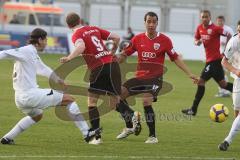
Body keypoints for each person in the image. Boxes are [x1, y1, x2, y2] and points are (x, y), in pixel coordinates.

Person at [0, 28, 98, 145]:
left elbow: (42, 68)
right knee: (69, 100)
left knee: (37, 116)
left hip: (20, 98)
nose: (46, 42)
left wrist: (58, 80)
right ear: (40, 40)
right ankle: (86, 133)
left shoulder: (31, 53)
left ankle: (7, 138)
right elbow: (3, 53)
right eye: (46, 39)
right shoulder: (26, 50)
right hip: (29, 95)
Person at [116, 11, 198, 143]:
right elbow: (124, 54)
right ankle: (131, 124)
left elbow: (175, 58)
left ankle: (152, 136)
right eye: (149, 21)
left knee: (146, 101)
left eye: (154, 22)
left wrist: (189, 73)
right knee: (117, 97)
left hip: (155, 79)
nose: (151, 24)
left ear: (157, 23)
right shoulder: (137, 39)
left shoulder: (164, 40)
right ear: (145, 23)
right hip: (139, 78)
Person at [60, 12, 139, 145]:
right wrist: (111, 53)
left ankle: (96, 136)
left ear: (68, 25)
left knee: (92, 102)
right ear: (80, 20)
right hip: (112, 65)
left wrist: (69, 57)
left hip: (99, 69)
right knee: (113, 101)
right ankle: (131, 115)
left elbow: (81, 46)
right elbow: (116, 37)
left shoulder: (77, 34)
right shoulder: (94, 28)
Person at [182, 10, 233, 116]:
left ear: (210, 17)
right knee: (223, 84)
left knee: (200, 82)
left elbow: (228, 35)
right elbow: (195, 39)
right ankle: (238, 89)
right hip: (211, 61)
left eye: (206, 17)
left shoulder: (215, 28)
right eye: (202, 17)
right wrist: (197, 42)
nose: (204, 18)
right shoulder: (199, 28)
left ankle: (193, 110)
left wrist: (226, 50)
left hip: (214, 61)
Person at [218, 20, 240, 151]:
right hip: (238, 80)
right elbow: (224, 62)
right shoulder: (234, 42)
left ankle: (227, 140)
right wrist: (236, 71)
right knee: (237, 112)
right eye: (238, 30)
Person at [215, 15, 234, 97]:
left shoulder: (228, 30)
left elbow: (233, 40)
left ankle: (225, 91)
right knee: (221, 72)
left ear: (224, 21)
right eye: (218, 21)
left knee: (227, 72)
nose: (219, 22)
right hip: (218, 55)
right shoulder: (215, 29)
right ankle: (223, 91)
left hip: (228, 55)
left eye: (221, 21)